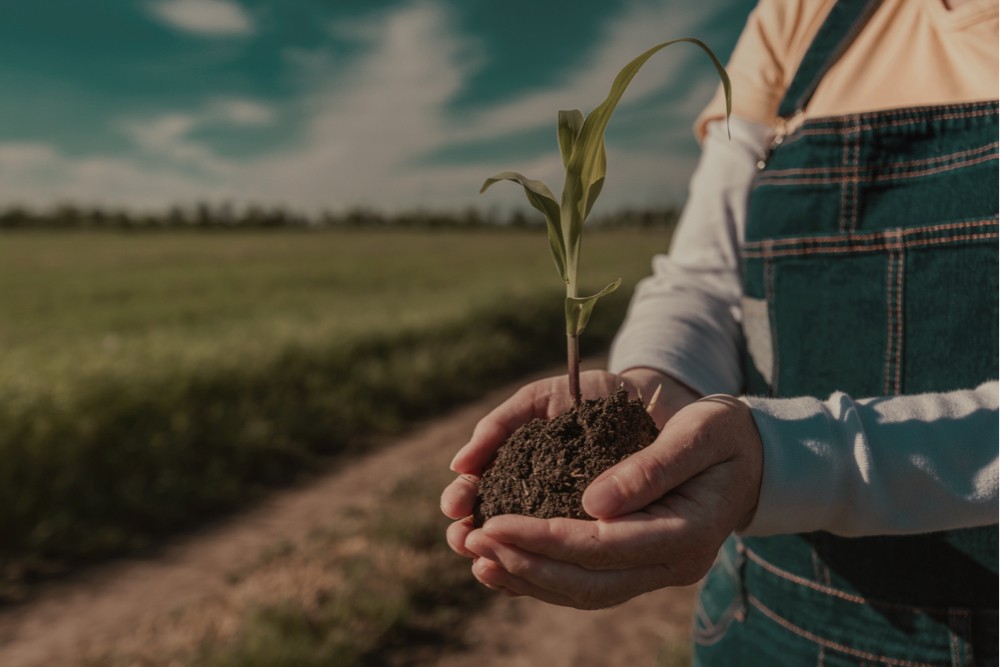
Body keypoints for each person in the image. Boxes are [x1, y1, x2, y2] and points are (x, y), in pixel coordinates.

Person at [442, 0, 999, 664]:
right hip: (768, 620)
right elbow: (705, 279)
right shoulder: (808, 15)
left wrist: (779, 462)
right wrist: (649, 390)